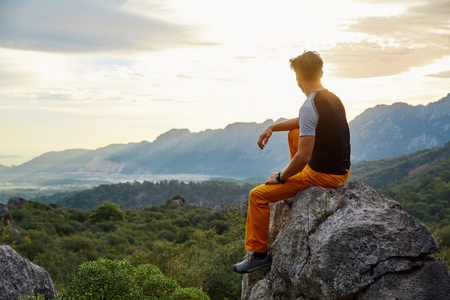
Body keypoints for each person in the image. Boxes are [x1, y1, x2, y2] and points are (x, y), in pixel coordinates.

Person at [233, 51, 351, 274]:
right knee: (295, 132)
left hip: (322, 176)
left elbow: (303, 157)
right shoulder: (332, 98)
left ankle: (258, 256)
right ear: (321, 72)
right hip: (341, 170)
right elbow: (305, 121)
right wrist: (273, 127)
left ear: (297, 78)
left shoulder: (309, 104)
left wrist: (280, 177)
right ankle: (292, 188)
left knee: (256, 196)